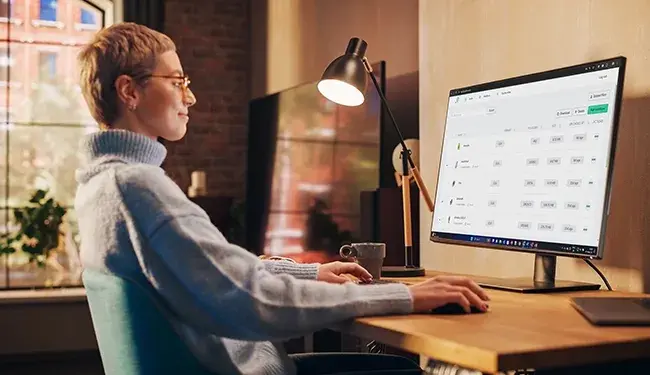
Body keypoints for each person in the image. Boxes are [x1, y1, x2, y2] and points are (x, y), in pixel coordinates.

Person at [74, 22, 490, 375]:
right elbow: (252, 299)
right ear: (129, 91)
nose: (190, 97)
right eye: (177, 81)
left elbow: (218, 274)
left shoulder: (104, 188)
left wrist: (310, 274)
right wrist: (408, 296)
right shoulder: (139, 189)